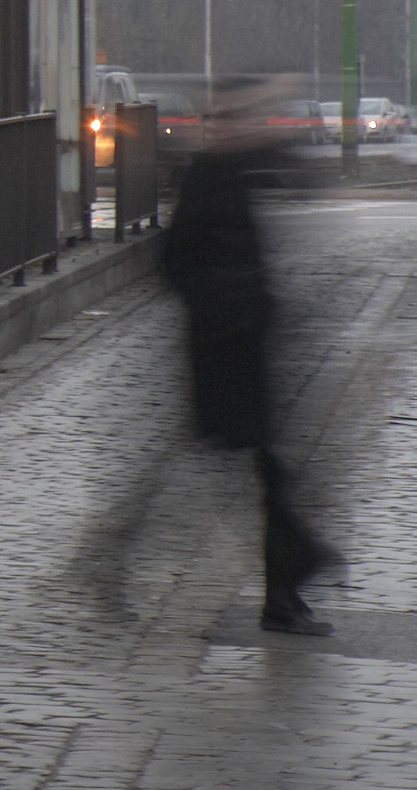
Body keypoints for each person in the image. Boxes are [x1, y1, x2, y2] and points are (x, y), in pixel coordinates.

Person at [76, 78, 342, 634]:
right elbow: (175, 261)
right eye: (219, 119)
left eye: (234, 117)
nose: (226, 127)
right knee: (211, 476)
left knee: (254, 471)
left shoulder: (236, 168)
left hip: (245, 345)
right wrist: (223, 306)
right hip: (223, 349)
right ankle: (112, 560)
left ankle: (282, 589)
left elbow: (286, 169)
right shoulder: (206, 177)